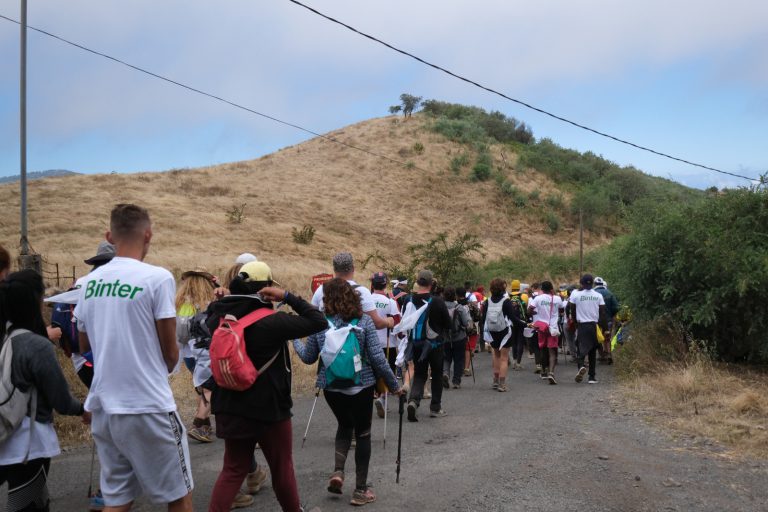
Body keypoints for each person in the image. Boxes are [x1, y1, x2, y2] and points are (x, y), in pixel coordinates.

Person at [75, 204, 193, 511]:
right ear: (148, 234)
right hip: (148, 404)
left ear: (109, 236)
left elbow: (84, 343)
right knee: (179, 496)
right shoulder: (158, 278)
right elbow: (170, 352)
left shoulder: (87, 284)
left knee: (117, 499)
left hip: (105, 407)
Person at [206, 261, 326, 512]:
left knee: (233, 469)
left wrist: (226, 296)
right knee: (281, 467)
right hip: (269, 408)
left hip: (229, 404)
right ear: (267, 288)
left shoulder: (218, 316)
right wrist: (288, 296)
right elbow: (318, 320)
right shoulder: (273, 322)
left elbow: (212, 313)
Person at [293, 278, 401, 506]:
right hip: (361, 385)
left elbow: (308, 357)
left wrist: (293, 340)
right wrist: (393, 386)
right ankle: (360, 490)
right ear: (354, 296)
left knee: (344, 426)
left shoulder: (319, 323)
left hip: (332, 387)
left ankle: (338, 472)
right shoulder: (364, 321)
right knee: (362, 434)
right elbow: (378, 360)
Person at [0, 270, 90, 512]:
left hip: (5, 432)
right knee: (27, 506)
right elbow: (61, 400)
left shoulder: (6, 338)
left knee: (35, 503)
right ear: (33, 303)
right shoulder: (37, 346)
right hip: (28, 443)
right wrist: (84, 410)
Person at [175, 268, 217, 443]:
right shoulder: (208, 303)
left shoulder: (182, 302)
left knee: (202, 388)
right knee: (211, 388)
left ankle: (206, 426)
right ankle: (198, 424)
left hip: (187, 354)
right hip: (205, 352)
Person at [403, 270, 451, 421]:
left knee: (419, 374)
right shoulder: (437, 301)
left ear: (417, 282)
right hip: (435, 344)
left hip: (416, 343)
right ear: (431, 284)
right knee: (436, 375)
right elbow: (448, 324)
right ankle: (435, 408)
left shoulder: (409, 300)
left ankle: (413, 401)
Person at [311, 252, 394, 331]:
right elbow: (376, 324)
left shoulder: (321, 290)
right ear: (353, 268)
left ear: (334, 269)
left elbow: (313, 319)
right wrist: (388, 322)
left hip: (327, 339)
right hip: (353, 340)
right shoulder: (363, 292)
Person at [481, 279, 524, 392]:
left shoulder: (487, 301)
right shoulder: (506, 301)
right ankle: (502, 383)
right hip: (504, 332)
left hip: (492, 331)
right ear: (503, 288)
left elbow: (483, 319)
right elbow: (513, 318)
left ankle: (495, 381)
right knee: (504, 358)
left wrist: (484, 333)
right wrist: (525, 324)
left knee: (496, 356)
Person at [370, 272, 400, 418]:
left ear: (372, 284)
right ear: (385, 284)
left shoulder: (366, 300)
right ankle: (382, 398)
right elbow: (397, 321)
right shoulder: (390, 302)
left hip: (369, 342)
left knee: (373, 372)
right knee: (387, 372)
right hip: (388, 343)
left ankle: (377, 395)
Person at [568, 274, 607, 384]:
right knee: (592, 351)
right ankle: (592, 377)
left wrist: (575, 323)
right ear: (592, 283)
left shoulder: (576, 295)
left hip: (582, 325)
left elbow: (572, 310)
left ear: (582, 283)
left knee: (581, 348)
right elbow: (602, 313)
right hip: (594, 325)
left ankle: (581, 366)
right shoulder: (598, 296)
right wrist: (604, 328)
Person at [528, 281, 566, 384]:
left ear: (542, 289)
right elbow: (562, 311)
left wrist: (537, 312)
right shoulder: (557, 299)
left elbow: (529, 311)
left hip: (542, 328)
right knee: (552, 351)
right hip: (553, 328)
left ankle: (543, 371)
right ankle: (551, 373)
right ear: (551, 289)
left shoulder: (538, 298)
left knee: (542, 349)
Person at [442, 286, 470, 389]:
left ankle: (446, 373)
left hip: (445, 337)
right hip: (459, 337)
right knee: (458, 359)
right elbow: (466, 323)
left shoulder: (441, 307)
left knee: (446, 358)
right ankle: (456, 382)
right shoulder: (459, 307)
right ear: (454, 295)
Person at [593, 277, 620, 364]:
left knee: (598, 338)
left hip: (595, 320)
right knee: (607, 338)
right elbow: (616, 307)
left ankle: (602, 355)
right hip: (608, 320)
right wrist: (612, 316)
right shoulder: (609, 293)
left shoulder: (592, 294)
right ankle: (609, 354)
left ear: (594, 284)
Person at [508, 280, 528, 370]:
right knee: (520, 342)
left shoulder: (508, 298)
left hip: (512, 323)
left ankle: (514, 361)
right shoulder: (523, 297)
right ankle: (518, 363)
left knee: (514, 342)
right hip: (521, 322)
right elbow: (526, 310)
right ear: (519, 287)